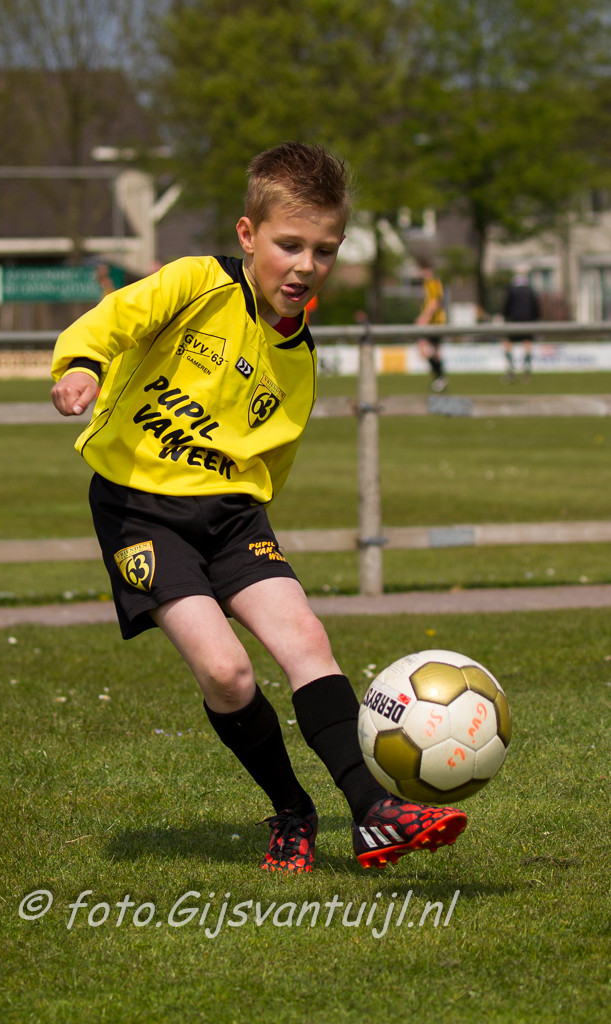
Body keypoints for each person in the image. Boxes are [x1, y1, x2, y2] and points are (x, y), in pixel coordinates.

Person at [50, 142, 466, 873]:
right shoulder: (195, 283)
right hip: (140, 510)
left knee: (305, 638)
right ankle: (292, 810)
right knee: (227, 674)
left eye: (324, 251)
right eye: (289, 245)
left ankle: (375, 811)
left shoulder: (299, 359)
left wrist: (246, 531)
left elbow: (270, 465)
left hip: (233, 516)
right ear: (248, 235)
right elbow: (110, 322)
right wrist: (81, 365)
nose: (305, 266)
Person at [503, 264, 540, 382]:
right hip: (528, 320)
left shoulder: (512, 289)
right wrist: (535, 318)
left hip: (514, 321)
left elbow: (507, 305)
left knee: (508, 343)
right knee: (527, 343)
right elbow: (536, 306)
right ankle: (526, 371)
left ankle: (511, 370)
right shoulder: (530, 289)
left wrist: (505, 316)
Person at [415, 261, 448, 392]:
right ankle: (440, 378)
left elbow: (435, 302)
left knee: (425, 348)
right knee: (433, 351)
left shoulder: (433, 283)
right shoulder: (428, 283)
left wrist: (424, 318)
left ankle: (440, 377)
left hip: (434, 323)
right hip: (434, 322)